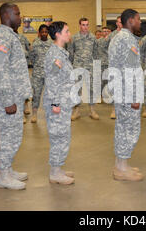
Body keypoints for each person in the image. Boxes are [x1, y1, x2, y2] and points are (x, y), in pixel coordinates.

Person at [0, 3, 32, 190]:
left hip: (14, 96)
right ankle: (3, 176)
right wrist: (8, 100)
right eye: (17, 13)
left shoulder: (10, 36)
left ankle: (8, 169)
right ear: (6, 15)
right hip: (8, 99)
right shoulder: (2, 38)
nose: (20, 17)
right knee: (7, 135)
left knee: (13, 135)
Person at [108, 9, 144, 182]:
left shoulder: (120, 38)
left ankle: (121, 164)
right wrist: (134, 97)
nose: (140, 22)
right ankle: (121, 169)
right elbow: (129, 71)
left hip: (121, 91)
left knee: (123, 128)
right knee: (128, 129)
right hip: (127, 93)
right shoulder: (126, 39)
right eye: (138, 19)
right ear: (130, 21)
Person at [44, 21, 77, 185]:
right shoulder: (55, 54)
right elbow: (52, 80)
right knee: (59, 136)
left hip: (64, 102)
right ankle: (55, 173)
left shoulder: (62, 52)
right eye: (67, 30)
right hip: (57, 103)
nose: (69, 33)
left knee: (63, 136)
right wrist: (55, 104)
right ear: (57, 34)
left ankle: (58, 168)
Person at [68, 17, 99, 120]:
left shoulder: (93, 38)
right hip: (77, 66)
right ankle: (76, 111)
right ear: (79, 25)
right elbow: (70, 53)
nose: (85, 27)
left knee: (91, 89)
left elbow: (96, 53)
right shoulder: (74, 38)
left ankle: (92, 110)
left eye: (87, 25)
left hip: (89, 67)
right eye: (83, 25)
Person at [30, 24, 52, 123]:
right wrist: (37, 66)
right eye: (42, 32)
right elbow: (32, 57)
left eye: (46, 32)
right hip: (37, 74)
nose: (44, 34)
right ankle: (34, 114)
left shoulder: (52, 44)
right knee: (36, 94)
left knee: (50, 95)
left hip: (49, 74)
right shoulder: (35, 44)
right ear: (39, 33)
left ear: (48, 33)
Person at [108, 16, 123, 119]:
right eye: (118, 22)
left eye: (121, 22)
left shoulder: (128, 34)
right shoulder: (112, 35)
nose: (119, 23)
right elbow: (104, 47)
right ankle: (114, 109)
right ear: (116, 23)